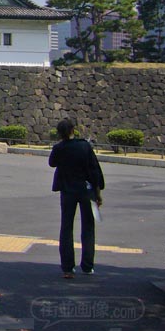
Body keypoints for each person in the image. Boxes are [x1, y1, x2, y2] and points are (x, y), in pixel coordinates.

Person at [49, 117, 105, 278]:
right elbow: (94, 170)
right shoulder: (84, 146)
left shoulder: (59, 148)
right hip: (87, 190)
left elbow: (52, 163)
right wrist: (98, 193)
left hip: (67, 191)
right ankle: (87, 266)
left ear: (59, 133)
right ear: (73, 130)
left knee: (66, 226)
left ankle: (67, 267)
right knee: (88, 227)